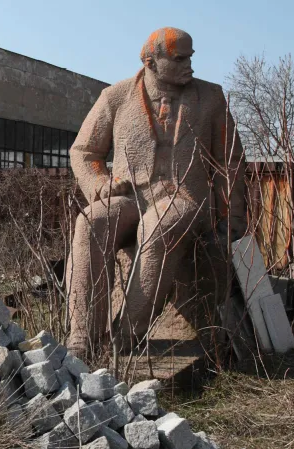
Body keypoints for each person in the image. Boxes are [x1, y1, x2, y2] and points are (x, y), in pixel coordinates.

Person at [65, 27, 246, 357]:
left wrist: (230, 217)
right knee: (90, 223)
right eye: (179, 59)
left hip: (185, 198)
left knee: (158, 227)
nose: (189, 65)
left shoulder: (211, 97)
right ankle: (83, 336)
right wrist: (99, 184)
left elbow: (230, 162)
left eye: (191, 57)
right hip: (130, 196)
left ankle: (126, 336)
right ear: (151, 61)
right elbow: (83, 151)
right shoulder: (115, 97)